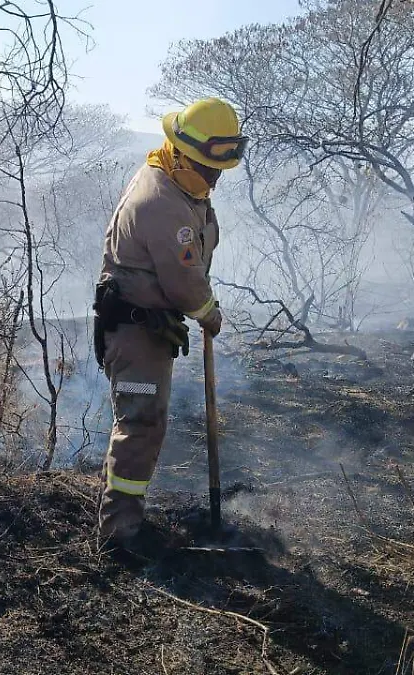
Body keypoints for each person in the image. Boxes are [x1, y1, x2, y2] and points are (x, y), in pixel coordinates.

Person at [93, 98, 247, 543]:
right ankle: (120, 534)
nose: (214, 180)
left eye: (219, 170)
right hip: (135, 332)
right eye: (208, 169)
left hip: (151, 327)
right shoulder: (162, 201)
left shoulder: (183, 184)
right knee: (139, 424)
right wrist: (208, 314)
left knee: (145, 422)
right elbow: (183, 279)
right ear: (181, 152)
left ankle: (126, 519)